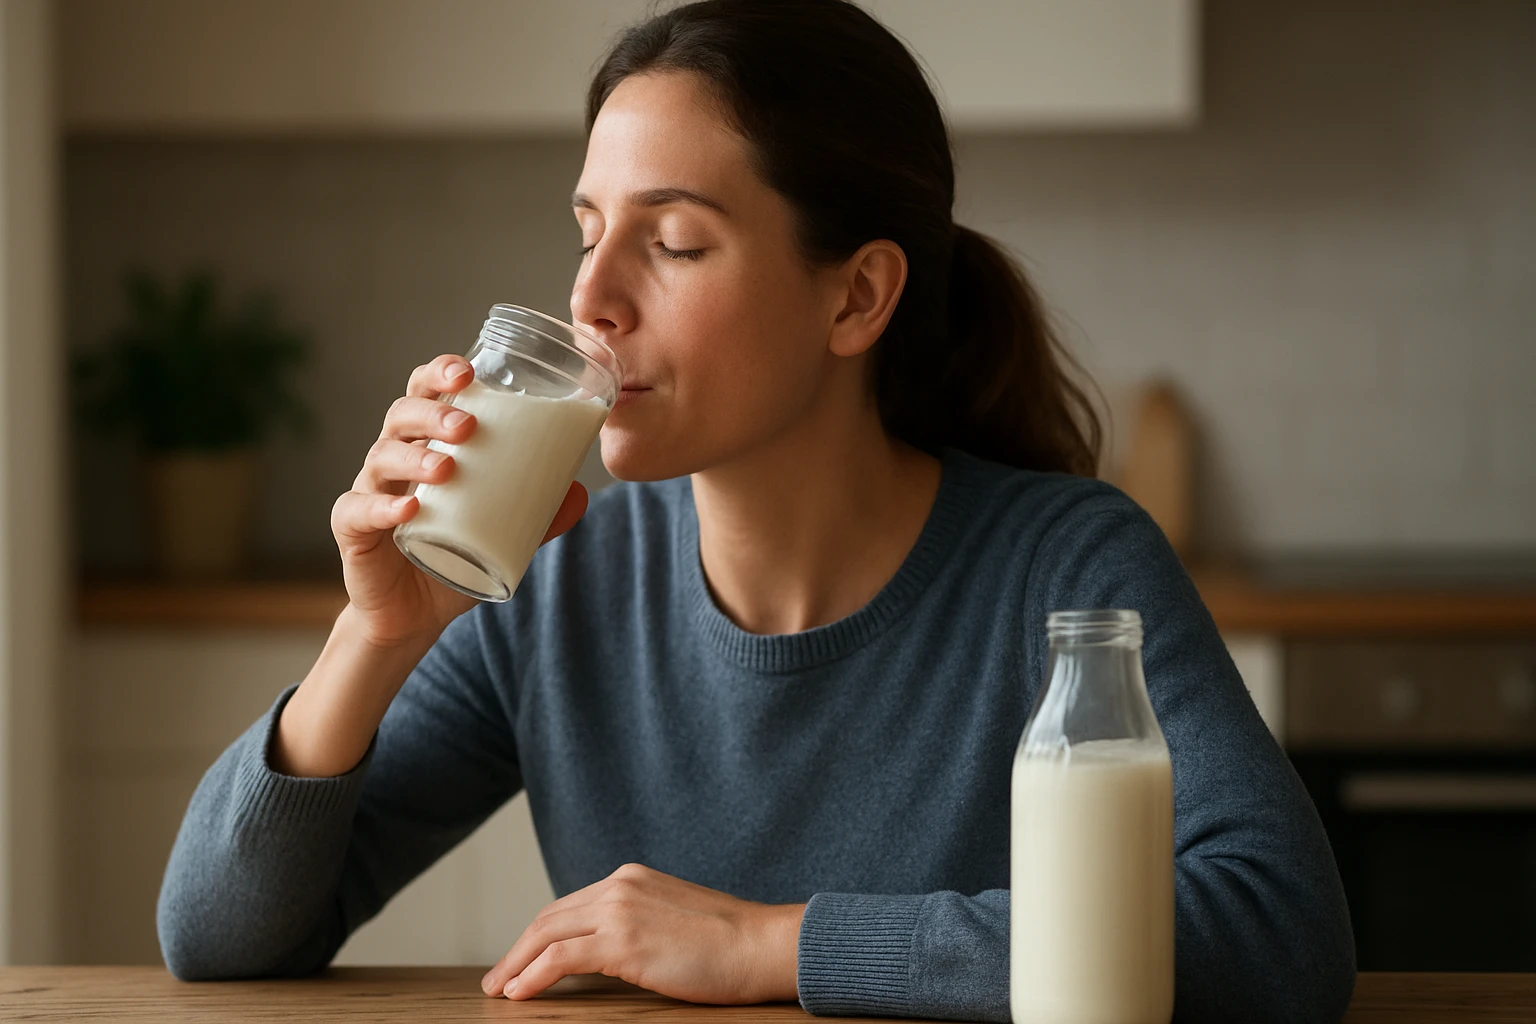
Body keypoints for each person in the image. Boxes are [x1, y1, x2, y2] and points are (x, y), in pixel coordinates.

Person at [156, 1, 1355, 1020]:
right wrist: (375, 636)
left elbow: (1279, 927)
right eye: (587, 233)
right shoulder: (558, 582)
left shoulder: (1066, 569)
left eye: (674, 243)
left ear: (858, 297)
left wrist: (773, 944)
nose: (591, 297)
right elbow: (217, 937)